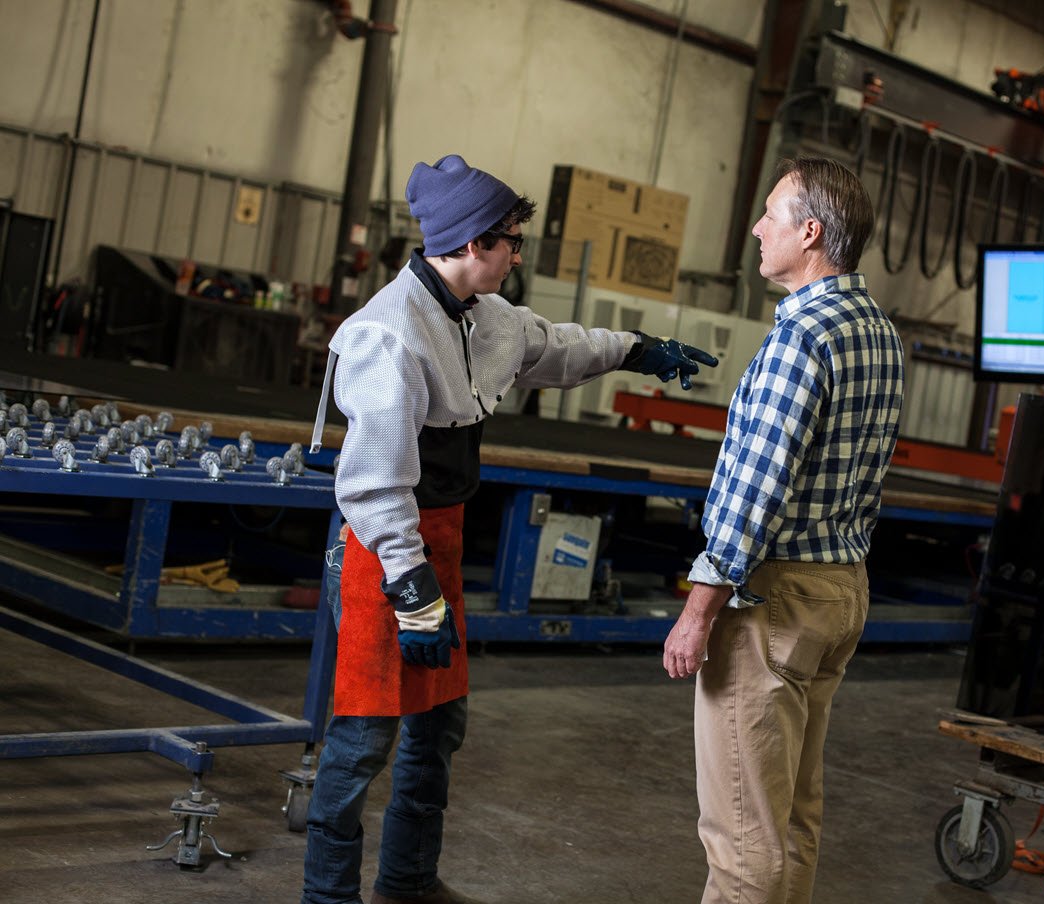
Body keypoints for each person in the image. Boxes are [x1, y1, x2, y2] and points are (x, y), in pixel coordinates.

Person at [302, 154, 717, 904]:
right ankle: (326, 898)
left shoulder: (484, 316)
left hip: (444, 543)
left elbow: (554, 347)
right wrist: (412, 589)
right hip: (384, 552)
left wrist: (635, 349)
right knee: (365, 738)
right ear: (466, 243)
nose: (516, 255)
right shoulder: (387, 335)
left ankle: (407, 882)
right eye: (508, 242)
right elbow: (371, 485)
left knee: (436, 732)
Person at [661, 156, 905, 904]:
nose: (757, 228)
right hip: (839, 593)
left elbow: (753, 491)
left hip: (774, 603)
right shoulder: (877, 332)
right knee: (790, 819)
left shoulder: (801, 338)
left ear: (809, 231)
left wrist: (698, 610)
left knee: (740, 841)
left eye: (771, 215)